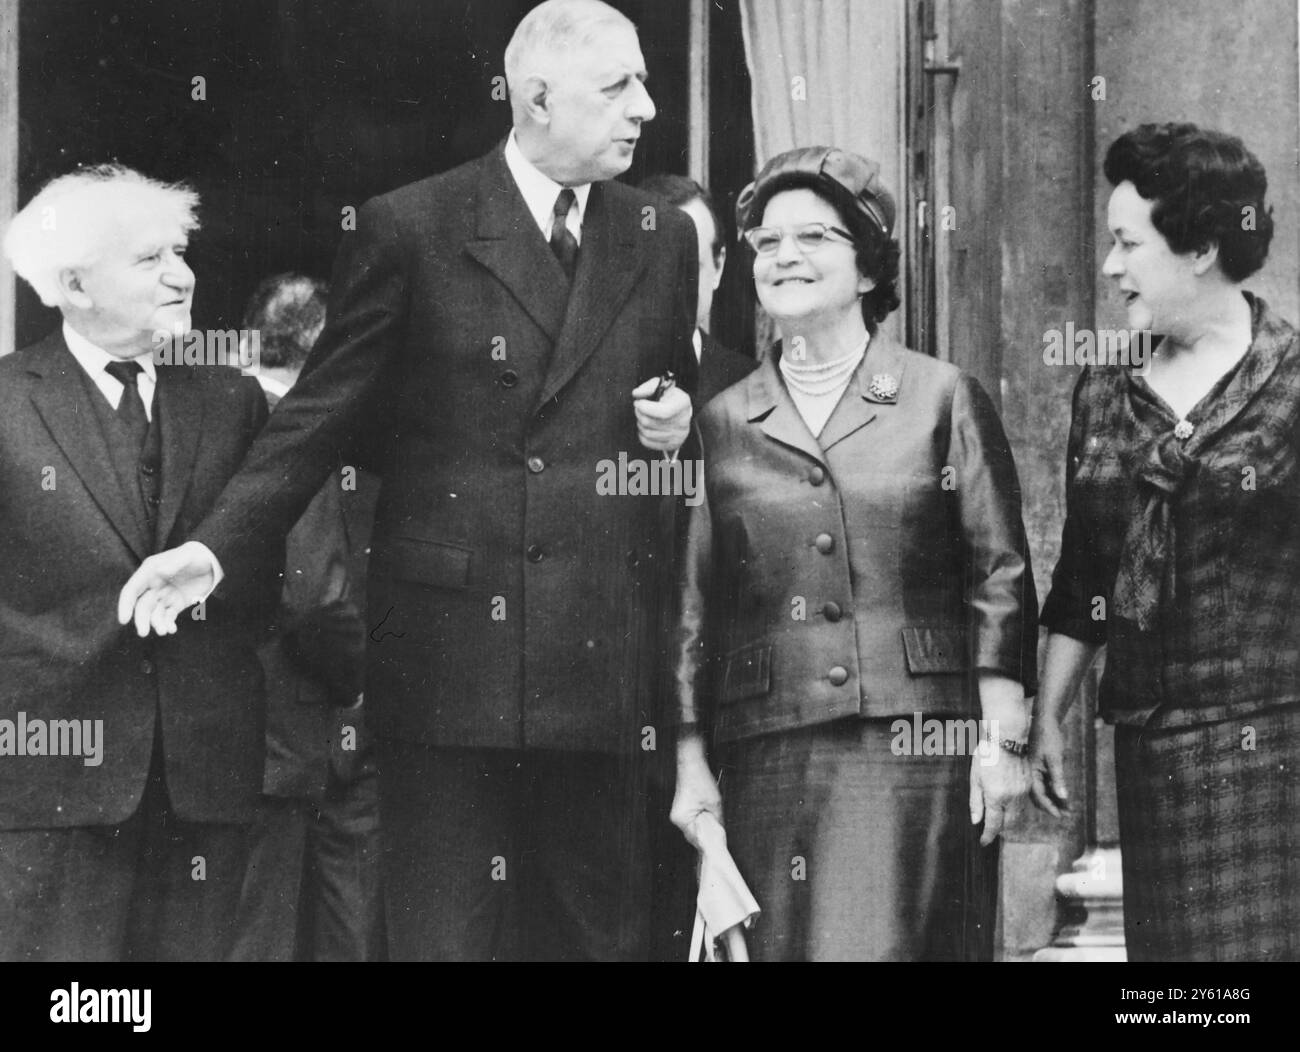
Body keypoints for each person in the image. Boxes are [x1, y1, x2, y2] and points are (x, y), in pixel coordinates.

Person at [116, 0, 698, 962]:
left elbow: (667, 410)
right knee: (445, 942)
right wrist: (214, 551)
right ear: (537, 98)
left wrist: (673, 439)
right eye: (619, 86)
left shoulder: (661, 236)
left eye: (642, 79)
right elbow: (320, 416)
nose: (647, 105)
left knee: (599, 943)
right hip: (450, 668)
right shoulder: (414, 225)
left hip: (600, 664)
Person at [670, 146, 1038, 961]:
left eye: (814, 238)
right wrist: (692, 770)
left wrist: (1004, 741)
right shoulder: (721, 423)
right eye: (766, 243)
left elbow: (999, 574)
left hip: (918, 753)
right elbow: (691, 610)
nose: (784, 257)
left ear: (869, 267)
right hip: (771, 756)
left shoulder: (940, 398)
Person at [1030, 123, 1299, 962]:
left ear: (1200, 250)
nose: (1110, 268)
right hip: (1149, 750)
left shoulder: (1293, 382)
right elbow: (1084, 578)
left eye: (1126, 244)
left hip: (1276, 749)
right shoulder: (1106, 390)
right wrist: (1046, 720)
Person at [0, 165, 277, 961]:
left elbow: (268, 581)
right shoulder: (9, 402)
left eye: (180, 252)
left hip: (204, 778)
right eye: (150, 258)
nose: (181, 275)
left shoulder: (232, 401)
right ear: (74, 283)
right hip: (48, 786)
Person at [229, 273, 384, 962]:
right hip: (299, 741)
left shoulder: (203, 423)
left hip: (228, 743)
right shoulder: (289, 428)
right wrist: (362, 685)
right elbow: (315, 596)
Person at [641, 174, 756, 403]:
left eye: (688, 266)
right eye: (651, 267)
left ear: (719, 266)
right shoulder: (591, 384)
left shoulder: (750, 384)